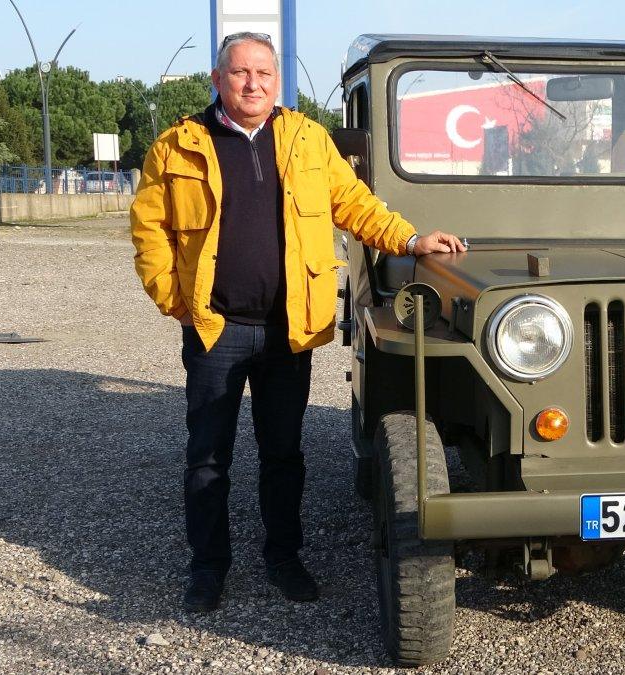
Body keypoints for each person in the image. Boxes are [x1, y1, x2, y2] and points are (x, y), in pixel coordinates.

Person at [130, 32, 464, 612]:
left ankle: (284, 557)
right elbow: (148, 230)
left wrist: (411, 239)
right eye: (239, 73)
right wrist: (174, 298)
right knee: (208, 455)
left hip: (290, 329)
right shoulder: (177, 146)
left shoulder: (308, 141)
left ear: (276, 81)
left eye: (263, 73)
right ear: (217, 79)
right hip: (216, 329)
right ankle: (208, 567)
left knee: (282, 453)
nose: (252, 83)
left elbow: (355, 205)